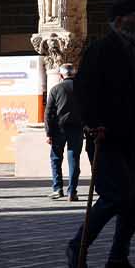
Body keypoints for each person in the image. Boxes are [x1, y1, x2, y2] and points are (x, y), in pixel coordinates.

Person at [67, 0, 135, 268]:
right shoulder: (100, 49)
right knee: (117, 195)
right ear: (120, 21)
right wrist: (93, 124)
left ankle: (118, 259)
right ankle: (77, 245)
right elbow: (83, 89)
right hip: (107, 136)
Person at [45, 61, 83, 201]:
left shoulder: (55, 89)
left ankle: (57, 189)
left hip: (58, 129)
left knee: (56, 159)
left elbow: (48, 113)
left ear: (61, 75)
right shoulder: (82, 89)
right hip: (77, 129)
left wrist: (48, 132)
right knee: (74, 160)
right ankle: (72, 191)